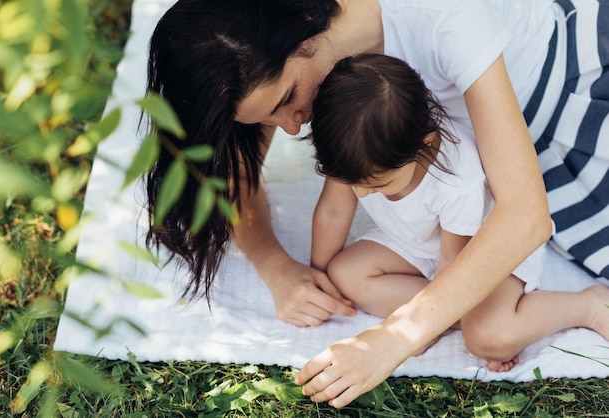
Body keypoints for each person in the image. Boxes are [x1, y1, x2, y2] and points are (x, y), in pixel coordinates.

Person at [145, 0, 609, 407]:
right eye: (268, 117)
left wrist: (395, 339)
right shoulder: (275, 57)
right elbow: (231, 183)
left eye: (287, 99)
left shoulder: (445, 18)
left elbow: (526, 217)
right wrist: (277, 267)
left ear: (304, 23)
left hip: (563, 97)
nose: (289, 128)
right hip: (499, 157)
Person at [307, 53, 609, 375]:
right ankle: (459, 318)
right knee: (345, 272)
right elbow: (334, 213)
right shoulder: (353, 148)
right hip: (420, 242)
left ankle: (588, 306)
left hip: (485, 250)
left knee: (488, 337)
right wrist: (319, 279)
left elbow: (454, 263)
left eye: (378, 184)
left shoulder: (457, 181)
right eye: (354, 183)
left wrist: (417, 329)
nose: (362, 193)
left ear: (424, 143)